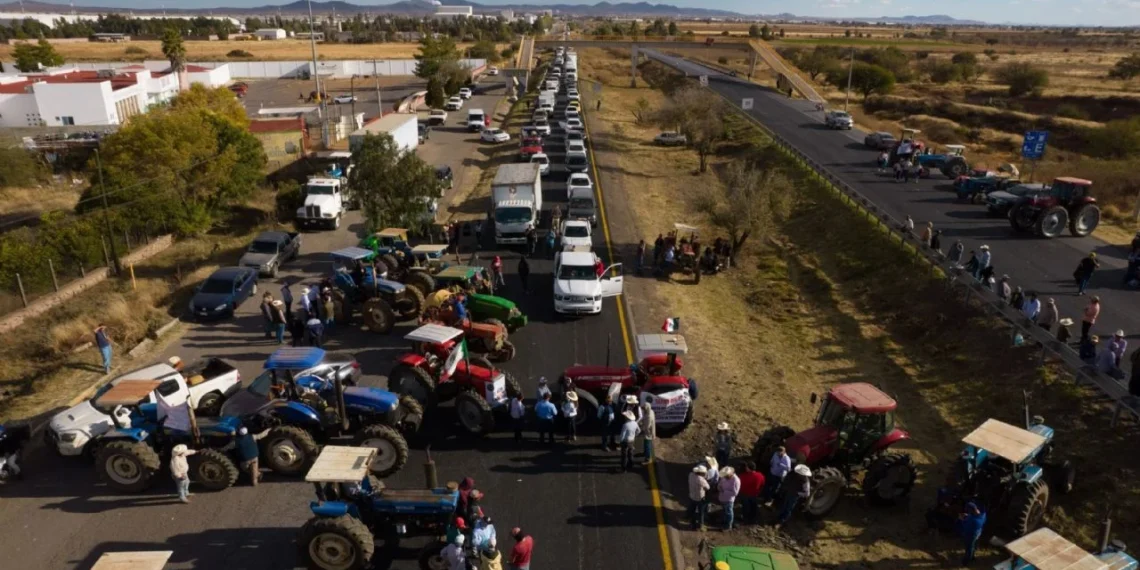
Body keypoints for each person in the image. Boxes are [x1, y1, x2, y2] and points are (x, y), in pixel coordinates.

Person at [717, 466, 741, 530]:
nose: (724, 477)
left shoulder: (736, 480)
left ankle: (728, 526)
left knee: (729, 512)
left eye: (726, 475)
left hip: (728, 500)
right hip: (722, 497)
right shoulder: (725, 477)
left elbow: (735, 493)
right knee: (724, 511)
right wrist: (719, 487)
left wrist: (724, 491)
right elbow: (720, 483)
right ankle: (724, 521)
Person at [688, 464, 711, 530]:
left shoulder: (691, 475)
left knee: (692, 511)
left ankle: (692, 524)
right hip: (700, 498)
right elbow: (708, 487)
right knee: (701, 512)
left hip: (692, 496)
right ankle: (701, 525)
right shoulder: (701, 479)